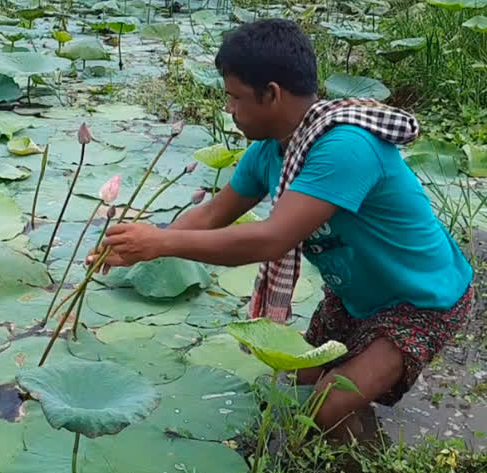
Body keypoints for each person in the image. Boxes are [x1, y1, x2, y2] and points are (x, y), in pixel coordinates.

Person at [88, 18, 473, 435]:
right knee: (294, 386)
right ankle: (346, 437)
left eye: (234, 97)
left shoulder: (345, 148)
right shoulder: (269, 152)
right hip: (356, 297)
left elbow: (273, 239)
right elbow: (211, 216)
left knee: (326, 406)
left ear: (271, 94)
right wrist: (138, 244)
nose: (229, 109)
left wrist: (162, 242)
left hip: (421, 300)